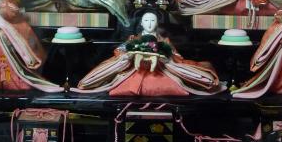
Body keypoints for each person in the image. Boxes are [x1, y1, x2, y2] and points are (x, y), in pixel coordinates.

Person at [74, 8, 224, 96]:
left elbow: (176, 56)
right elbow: (120, 50)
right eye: (146, 20)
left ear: (157, 23)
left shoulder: (163, 40)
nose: (150, 24)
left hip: (160, 70)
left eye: (153, 21)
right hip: (134, 69)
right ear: (141, 23)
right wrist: (127, 56)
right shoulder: (134, 39)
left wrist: (166, 58)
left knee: (172, 83)